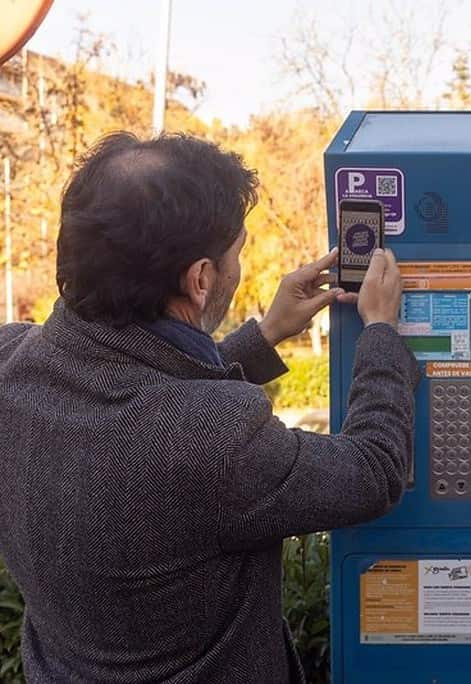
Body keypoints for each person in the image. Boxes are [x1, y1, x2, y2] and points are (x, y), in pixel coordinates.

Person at [0, 132, 418, 682]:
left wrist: (264, 335)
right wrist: (383, 331)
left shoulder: (11, 362)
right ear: (200, 279)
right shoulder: (215, 436)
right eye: (236, 254)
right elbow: (372, 471)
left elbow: (138, 398)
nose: (237, 267)